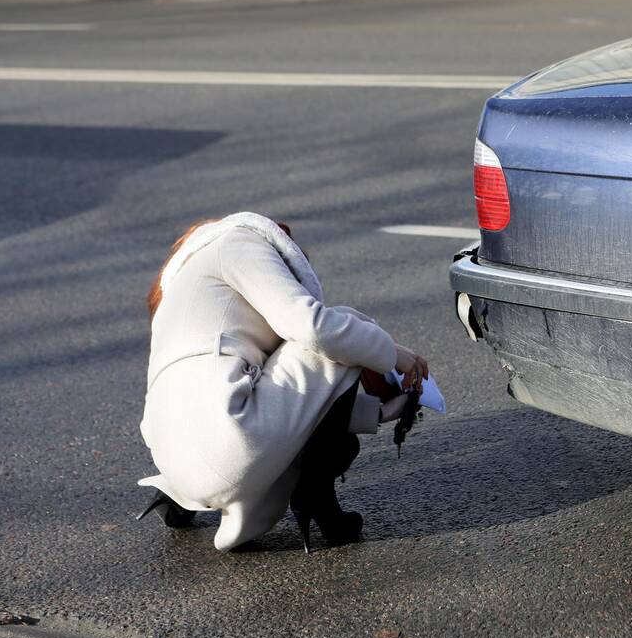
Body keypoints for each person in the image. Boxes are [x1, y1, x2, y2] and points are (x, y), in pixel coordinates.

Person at [135, 212, 428, 551]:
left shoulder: (182, 289)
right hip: (231, 445)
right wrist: (394, 355)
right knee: (342, 328)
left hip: (172, 459)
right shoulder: (239, 240)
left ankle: (180, 500)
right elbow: (312, 327)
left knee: (333, 340)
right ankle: (317, 497)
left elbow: (283, 397)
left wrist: (375, 412)